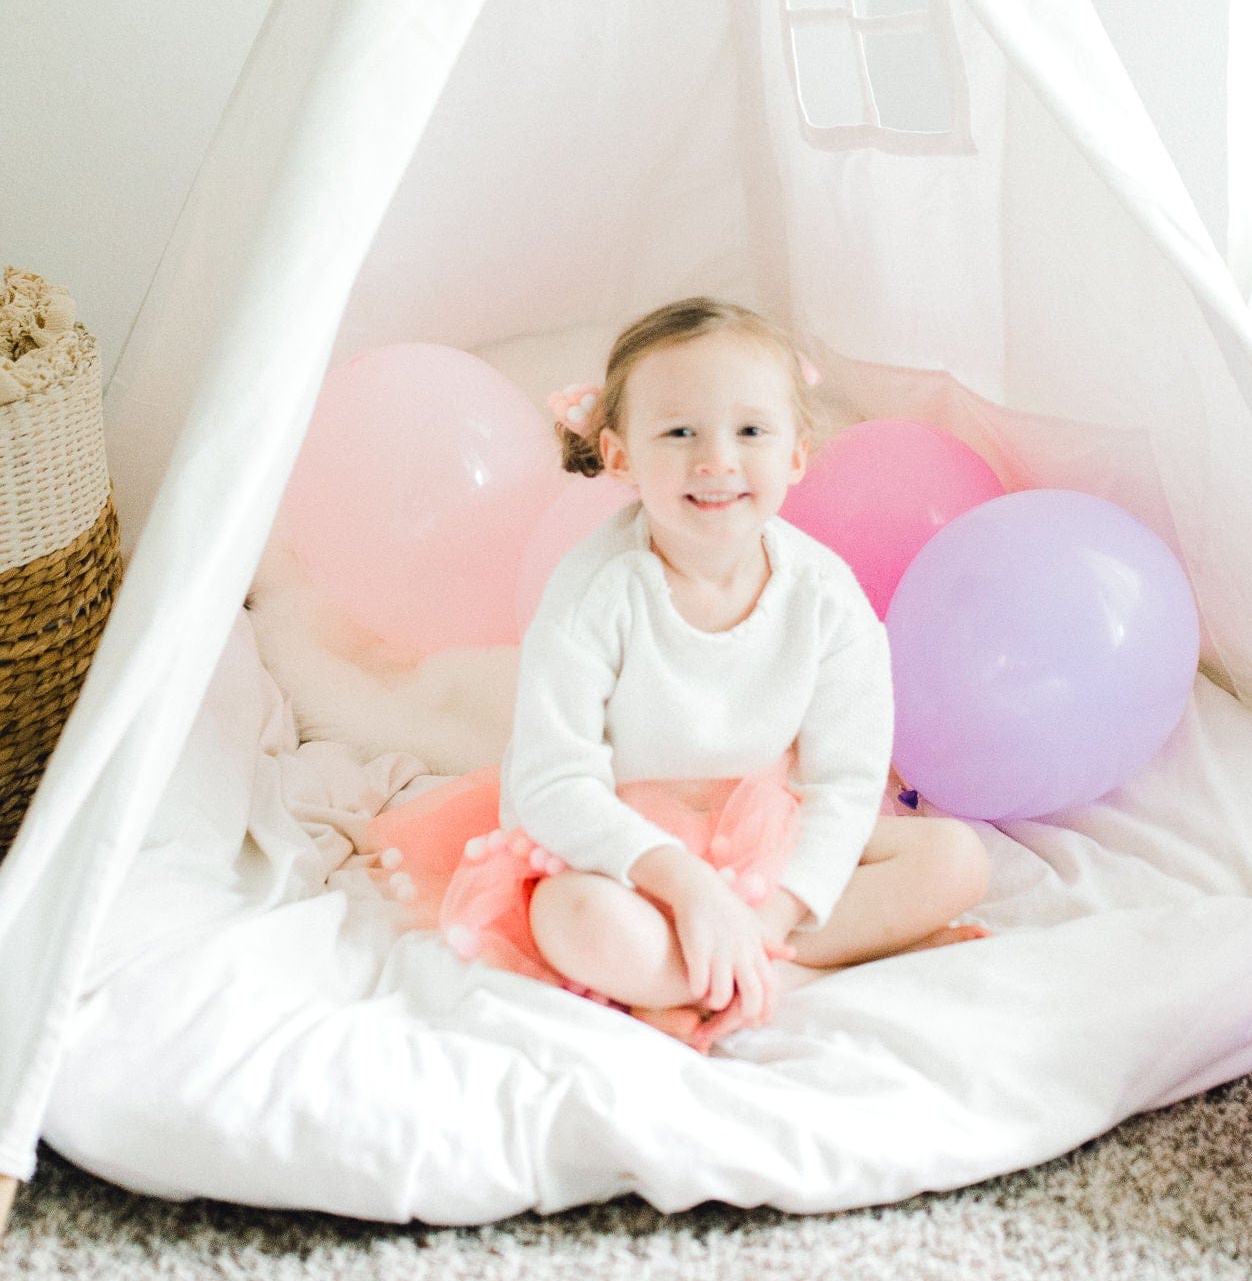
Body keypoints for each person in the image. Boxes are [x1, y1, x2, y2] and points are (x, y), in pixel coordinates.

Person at [365, 296, 989, 1052]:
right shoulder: (595, 590)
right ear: (620, 455)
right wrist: (686, 886)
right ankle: (782, 978)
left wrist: (769, 914)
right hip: (625, 849)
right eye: (679, 432)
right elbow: (551, 782)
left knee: (956, 859)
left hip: (767, 842)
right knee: (576, 920)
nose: (716, 460)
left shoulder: (824, 594)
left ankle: (732, 974)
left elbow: (844, 783)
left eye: (751, 431)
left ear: (795, 453)